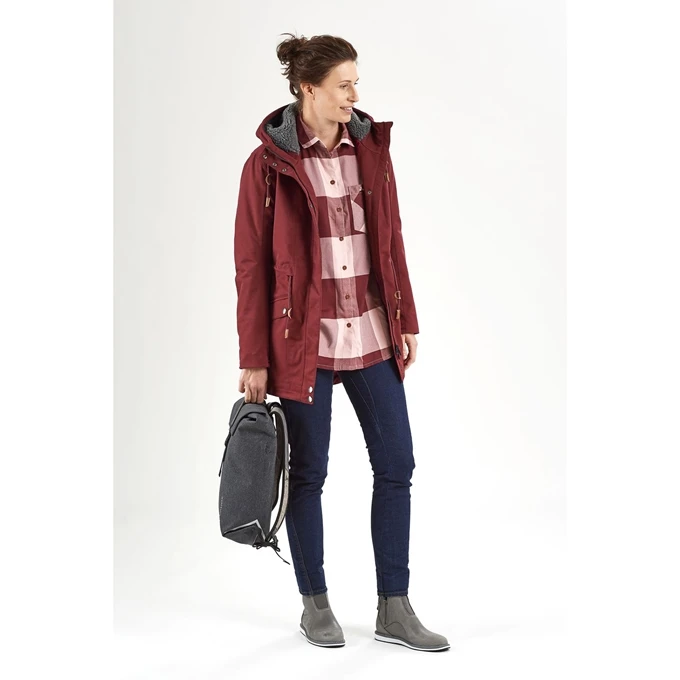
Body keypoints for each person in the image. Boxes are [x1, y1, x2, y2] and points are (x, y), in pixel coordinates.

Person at [233, 32, 449, 652]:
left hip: (372, 332)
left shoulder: (370, 149)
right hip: (304, 343)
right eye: (343, 85)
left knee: (397, 464)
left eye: (356, 83)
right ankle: (315, 603)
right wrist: (254, 358)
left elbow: (391, 238)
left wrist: (406, 318)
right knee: (309, 474)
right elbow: (250, 266)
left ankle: (394, 607)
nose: (355, 95)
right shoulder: (267, 165)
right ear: (308, 89)